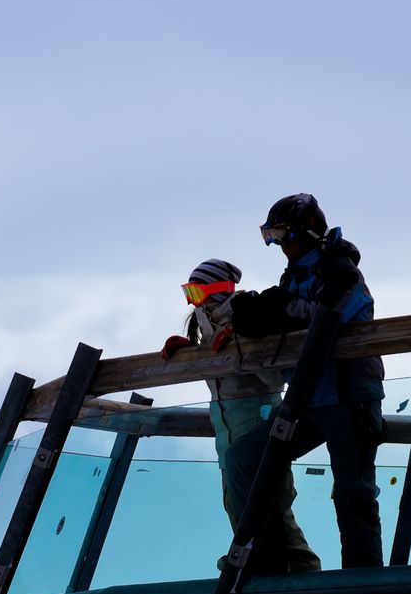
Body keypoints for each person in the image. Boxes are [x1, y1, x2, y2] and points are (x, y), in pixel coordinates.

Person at [226, 193, 387, 569]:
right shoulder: (295, 275)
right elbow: (285, 318)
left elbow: (328, 317)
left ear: (310, 233)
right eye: (273, 236)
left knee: (353, 493)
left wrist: (277, 311)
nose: (280, 245)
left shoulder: (341, 269)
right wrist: (259, 313)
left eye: (285, 235)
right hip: (305, 399)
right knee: (245, 458)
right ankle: (276, 568)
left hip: (350, 397)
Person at [161, 259, 321, 574]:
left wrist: (241, 350)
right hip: (228, 439)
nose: (191, 301)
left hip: (259, 433)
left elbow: (274, 379)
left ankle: (306, 583)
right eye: (187, 293)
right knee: (238, 512)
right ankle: (258, 577)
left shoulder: (248, 316)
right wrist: (189, 354)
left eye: (195, 291)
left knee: (275, 513)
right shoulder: (206, 326)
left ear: (217, 290)